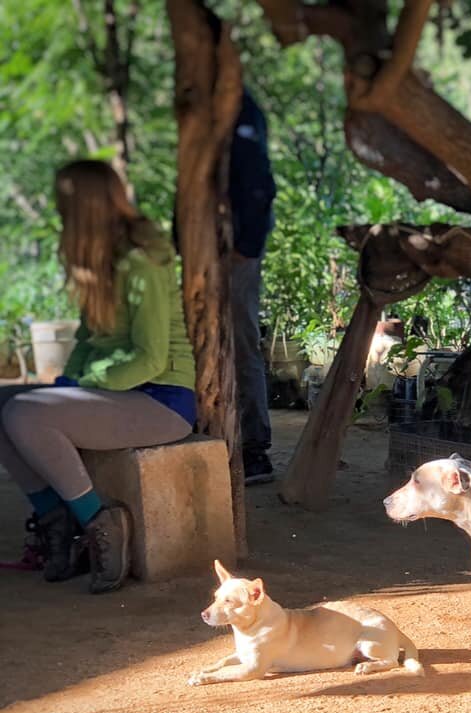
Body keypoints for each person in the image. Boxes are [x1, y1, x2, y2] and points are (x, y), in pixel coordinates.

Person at [0, 160, 196, 593]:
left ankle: (98, 520)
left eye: (63, 203)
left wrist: (86, 381)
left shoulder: (141, 262)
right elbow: (89, 339)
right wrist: (68, 381)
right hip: (115, 394)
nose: (57, 212)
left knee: (26, 416)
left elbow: (149, 358)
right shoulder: (98, 261)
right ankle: (56, 524)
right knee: (5, 407)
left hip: (160, 399)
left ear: (82, 208)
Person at [228, 87, 278, 484]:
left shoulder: (240, 107)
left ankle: (253, 449)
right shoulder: (206, 107)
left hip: (237, 247)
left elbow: (259, 183)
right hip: (213, 246)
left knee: (241, 340)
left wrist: (247, 246)